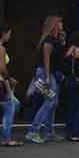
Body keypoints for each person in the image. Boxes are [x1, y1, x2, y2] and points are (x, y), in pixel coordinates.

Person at [26, 15, 64, 144]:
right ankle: (33, 131)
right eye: (59, 22)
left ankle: (48, 132)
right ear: (54, 25)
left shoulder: (55, 39)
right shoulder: (48, 40)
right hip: (44, 74)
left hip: (49, 74)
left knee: (52, 102)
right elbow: (46, 59)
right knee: (50, 101)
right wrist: (47, 77)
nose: (61, 24)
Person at [0, 25, 21, 147]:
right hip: (0, 82)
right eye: (9, 33)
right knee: (10, 109)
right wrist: (9, 82)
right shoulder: (0, 48)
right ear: (4, 34)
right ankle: (6, 139)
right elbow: (2, 69)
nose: (10, 36)